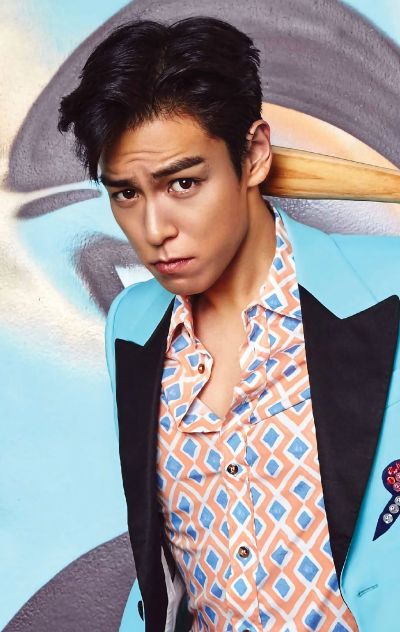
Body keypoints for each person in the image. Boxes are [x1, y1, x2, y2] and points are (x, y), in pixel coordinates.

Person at [58, 16, 400, 632]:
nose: (154, 229)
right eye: (127, 194)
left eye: (183, 183)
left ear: (255, 155)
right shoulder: (132, 326)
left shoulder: (388, 289)